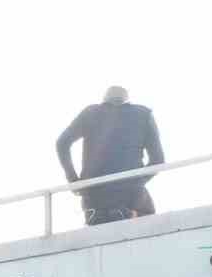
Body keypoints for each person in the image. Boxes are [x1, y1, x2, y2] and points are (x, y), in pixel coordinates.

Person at [56, 86, 165, 226]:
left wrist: (73, 180)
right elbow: (158, 160)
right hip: (131, 198)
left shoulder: (90, 113)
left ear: (104, 99)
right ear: (127, 100)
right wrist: (135, 181)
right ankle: (130, 214)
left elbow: (62, 143)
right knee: (148, 217)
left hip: (94, 200)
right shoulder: (144, 115)